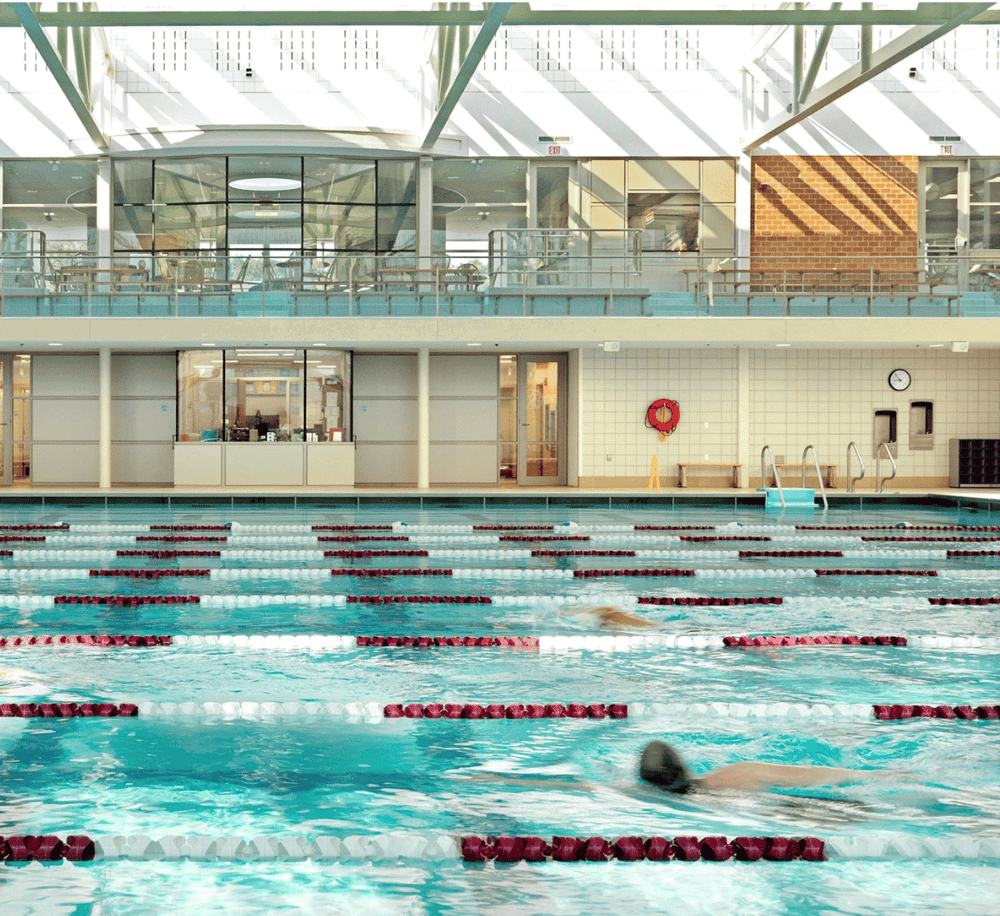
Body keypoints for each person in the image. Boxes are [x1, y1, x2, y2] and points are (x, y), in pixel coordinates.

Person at [640, 740, 875, 794]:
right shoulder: (734, 775)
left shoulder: (645, 795)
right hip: (795, 810)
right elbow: (806, 775)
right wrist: (871, 775)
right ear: (683, 766)